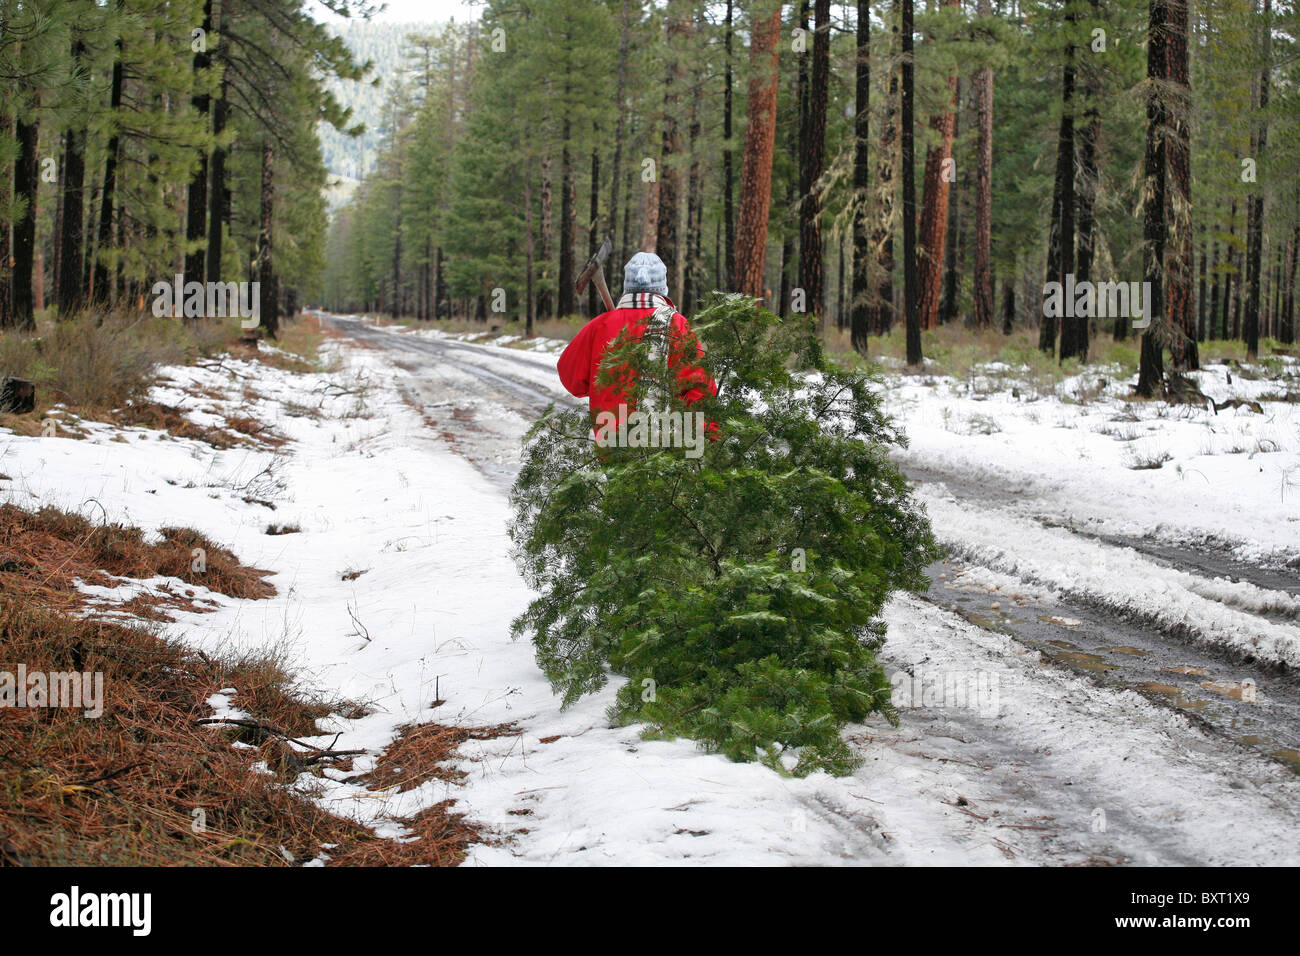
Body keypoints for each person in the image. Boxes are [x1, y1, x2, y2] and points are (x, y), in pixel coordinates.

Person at [557, 252, 716, 429]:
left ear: (627, 286)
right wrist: (708, 442)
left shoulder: (599, 326)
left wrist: (603, 387)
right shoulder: (676, 325)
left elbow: (571, 378)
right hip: (664, 447)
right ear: (662, 288)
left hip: (610, 445)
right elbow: (701, 390)